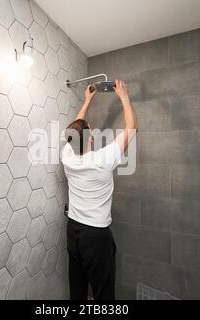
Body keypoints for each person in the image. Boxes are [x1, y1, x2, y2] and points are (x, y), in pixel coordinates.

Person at [61, 80, 138, 300]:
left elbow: (75, 128)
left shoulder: (67, 157)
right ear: (91, 139)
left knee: (77, 291)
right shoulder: (103, 159)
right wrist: (123, 95)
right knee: (103, 294)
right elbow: (132, 128)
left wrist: (87, 100)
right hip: (96, 237)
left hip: (73, 230)